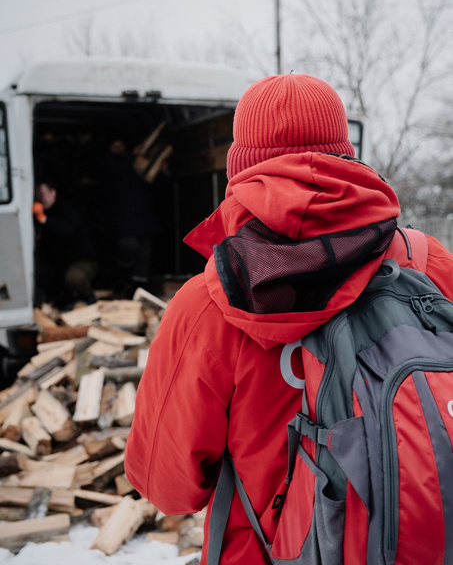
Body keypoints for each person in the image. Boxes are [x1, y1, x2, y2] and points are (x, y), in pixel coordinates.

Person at [124, 74, 453, 564]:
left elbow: (167, 487)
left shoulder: (210, 303)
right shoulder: (429, 262)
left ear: (242, 169)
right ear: (346, 154)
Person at [100, 137, 165, 295]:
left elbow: (152, 183)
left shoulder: (135, 163)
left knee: (144, 254)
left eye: (121, 145)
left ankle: (138, 288)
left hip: (143, 216)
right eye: (115, 145)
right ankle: (124, 279)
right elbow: (115, 171)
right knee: (128, 247)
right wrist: (133, 156)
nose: (119, 149)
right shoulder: (109, 162)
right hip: (122, 218)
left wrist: (162, 172)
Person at [33, 181, 98, 306]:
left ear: (53, 193)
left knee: (74, 278)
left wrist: (43, 220)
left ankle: (91, 299)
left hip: (81, 262)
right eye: (37, 196)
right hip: (59, 264)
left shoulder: (66, 210)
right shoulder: (40, 214)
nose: (41, 199)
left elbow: (65, 230)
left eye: (42, 194)